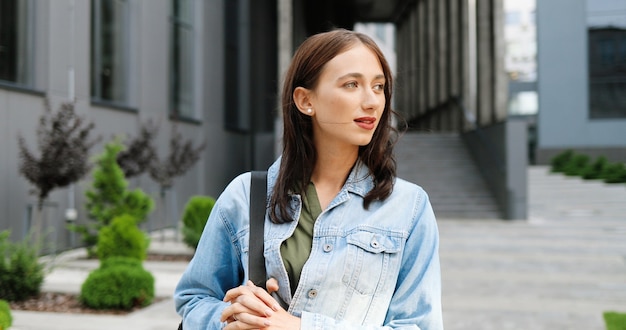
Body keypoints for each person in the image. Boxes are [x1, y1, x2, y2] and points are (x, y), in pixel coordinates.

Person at [174, 28, 443, 329]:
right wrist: (232, 323)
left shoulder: (408, 207)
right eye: (352, 84)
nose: (372, 102)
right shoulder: (247, 194)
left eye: (379, 87)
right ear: (305, 101)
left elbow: (418, 325)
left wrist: (300, 327)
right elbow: (194, 298)